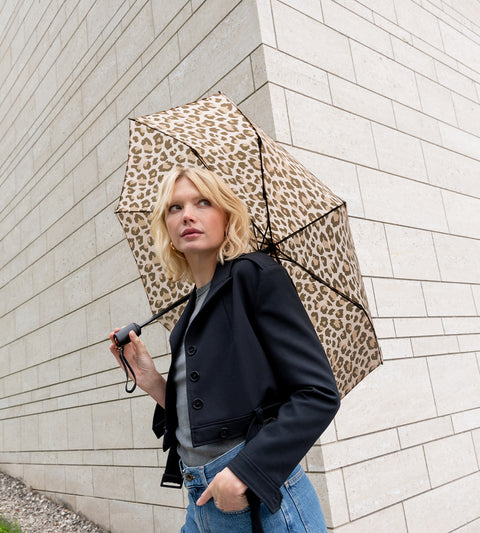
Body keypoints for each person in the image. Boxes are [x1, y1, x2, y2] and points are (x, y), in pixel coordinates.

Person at [109, 167, 340, 532]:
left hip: (257, 501)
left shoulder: (255, 275)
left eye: (203, 202)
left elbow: (319, 394)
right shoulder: (189, 312)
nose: (187, 215)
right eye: (174, 207)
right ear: (166, 226)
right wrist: (151, 380)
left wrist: (242, 474)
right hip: (200, 497)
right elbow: (211, 413)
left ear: (227, 215)